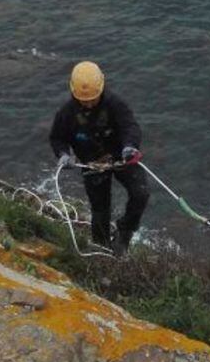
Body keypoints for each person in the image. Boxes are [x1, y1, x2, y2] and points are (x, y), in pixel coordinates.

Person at [49, 61, 149, 255]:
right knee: (100, 210)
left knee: (141, 193)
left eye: (92, 99)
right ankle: (101, 250)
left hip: (121, 157)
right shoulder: (67, 113)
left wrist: (130, 146)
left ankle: (124, 233)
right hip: (92, 164)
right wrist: (63, 154)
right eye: (83, 100)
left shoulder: (115, 105)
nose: (88, 103)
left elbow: (130, 126)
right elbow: (57, 137)